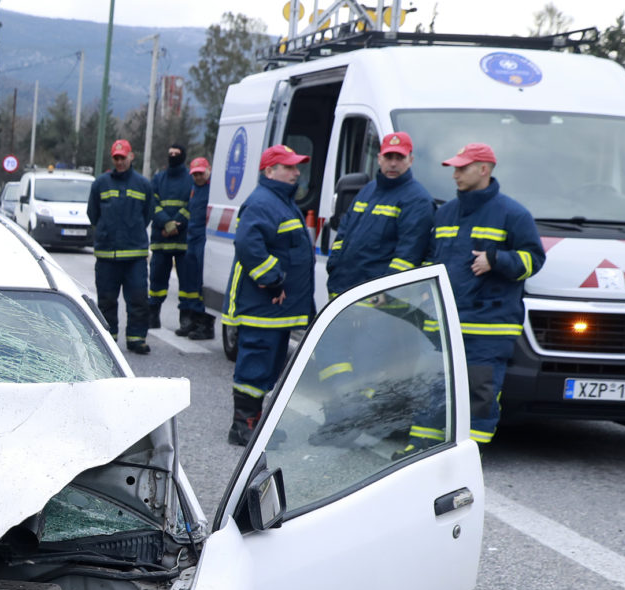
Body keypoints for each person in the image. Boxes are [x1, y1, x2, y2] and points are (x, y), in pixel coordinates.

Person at [395, 142, 544, 445]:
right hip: (444, 323)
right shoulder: (446, 213)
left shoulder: (513, 214)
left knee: (478, 397)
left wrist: (497, 259)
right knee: (431, 389)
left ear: (484, 169)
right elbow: (431, 259)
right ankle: (419, 452)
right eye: (455, 169)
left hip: (487, 328)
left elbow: (534, 260)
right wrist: (421, 291)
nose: (455, 175)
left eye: (462, 168)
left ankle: (468, 458)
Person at [221, 144, 315, 445]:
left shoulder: (281, 201)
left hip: (277, 308)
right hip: (262, 304)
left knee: (269, 365)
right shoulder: (262, 202)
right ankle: (242, 425)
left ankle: (256, 422)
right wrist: (273, 281)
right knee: (255, 362)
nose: (296, 172)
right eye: (289, 167)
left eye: (296, 166)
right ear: (270, 171)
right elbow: (249, 246)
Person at [328, 131, 434, 299]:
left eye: (400, 158)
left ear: (411, 160)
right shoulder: (367, 190)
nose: (393, 163)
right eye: (388, 157)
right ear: (379, 158)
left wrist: (387, 292)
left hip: (378, 301)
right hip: (343, 291)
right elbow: (343, 233)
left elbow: (408, 256)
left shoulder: (417, 200)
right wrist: (333, 265)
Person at [85, 139, 154, 354]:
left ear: (131, 157)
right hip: (107, 254)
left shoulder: (143, 184)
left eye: (123, 158)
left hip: (135, 255)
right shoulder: (100, 183)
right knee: (106, 300)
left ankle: (136, 338)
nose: (119, 162)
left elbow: (148, 214)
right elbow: (92, 213)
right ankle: (109, 340)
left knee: (138, 298)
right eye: (116, 158)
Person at [146, 144, 196, 331]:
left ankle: (186, 317)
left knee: (186, 281)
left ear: (183, 156)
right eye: (170, 153)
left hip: (182, 239)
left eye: (176, 153)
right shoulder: (159, 178)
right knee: (157, 279)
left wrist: (176, 224)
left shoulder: (190, 179)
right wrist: (166, 223)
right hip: (161, 238)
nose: (173, 156)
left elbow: (192, 204)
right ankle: (153, 314)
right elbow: (152, 203)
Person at [176, 154, 214, 339]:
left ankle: (205, 325)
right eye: (195, 174)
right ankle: (193, 319)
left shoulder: (212, 190)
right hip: (192, 239)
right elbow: (190, 210)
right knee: (191, 283)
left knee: (202, 283)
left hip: (204, 240)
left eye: (201, 173)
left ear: (209, 170)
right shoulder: (194, 189)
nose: (198, 177)